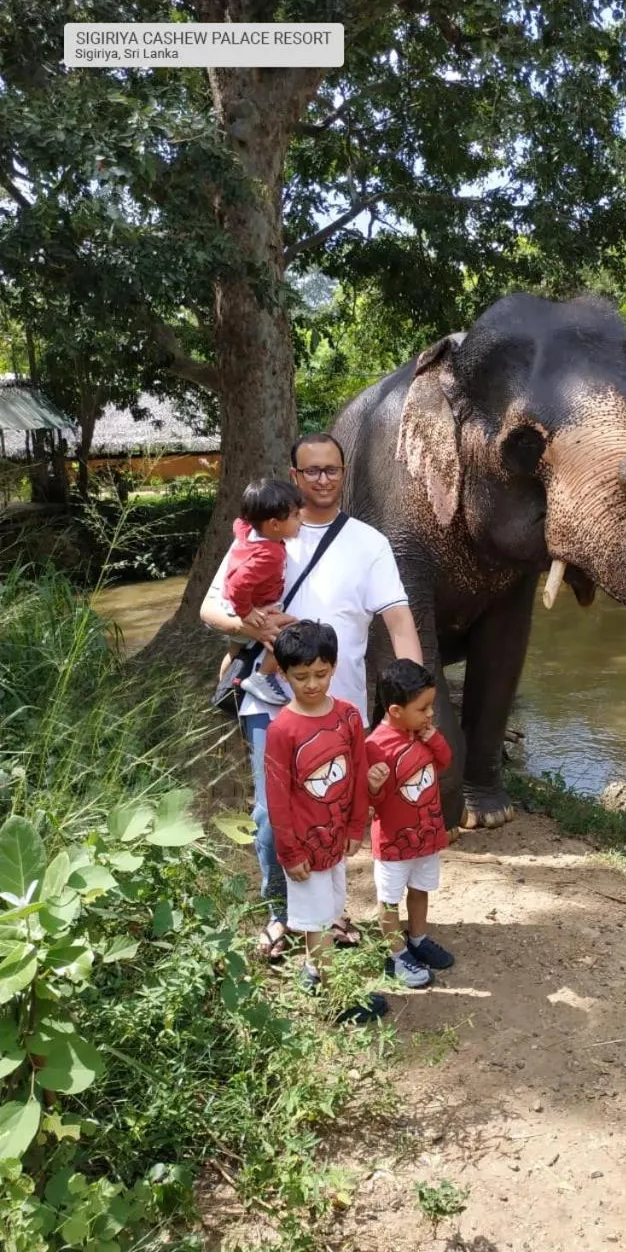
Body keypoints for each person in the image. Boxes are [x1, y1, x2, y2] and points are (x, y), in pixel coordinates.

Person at [199, 432, 423, 962]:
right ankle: (280, 913)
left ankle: (331, 911)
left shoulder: (368, 543)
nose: (323, 479)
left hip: (339, 704)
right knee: (271, 814)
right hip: (270, 700)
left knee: (334, 808)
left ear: (344, 473)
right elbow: (211, 610)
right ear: (294, 477)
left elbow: (399, 620)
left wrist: (413, 694)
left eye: (332, 469)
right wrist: (255, 628)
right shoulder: (265, 530)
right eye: (312, 471)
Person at [264, 619, 387, 1022]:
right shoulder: (282, 730)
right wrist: (290, 851)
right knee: (316, 921)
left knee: (331, 907)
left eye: (321, 673)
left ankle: (314, 970)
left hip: (336, 839)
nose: (313, 684)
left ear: (334, 667)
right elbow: (277, 798)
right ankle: (338, 1000)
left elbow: (358, 772)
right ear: (283, 674)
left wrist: (355, 826)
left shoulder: (348, 716)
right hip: (305, 846)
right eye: (301, 677)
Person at [366, 658, 455, 990]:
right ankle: (396, 953)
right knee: (390, 899)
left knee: (420, 890)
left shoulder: (422, 735)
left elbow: (444, 761)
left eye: (430, 706)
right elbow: (372, 802)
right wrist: (373, 785)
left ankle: (418, 937)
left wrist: (433, 738)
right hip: (394, 844)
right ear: (395, 710)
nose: (430, 714)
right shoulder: (375, 746)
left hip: (427, 837)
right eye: (423, 708)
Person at [219, 478, 304, 705]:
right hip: (247, 605)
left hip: (230, 603)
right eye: (296, 515)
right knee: (289, 628)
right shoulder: (270, 554)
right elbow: (238, 584)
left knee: (235, 649)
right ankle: (262, 676)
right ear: (274, 525)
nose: (301, 520)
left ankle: (224, 689)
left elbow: (239, 522)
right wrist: (246, 612)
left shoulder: (247, 530)